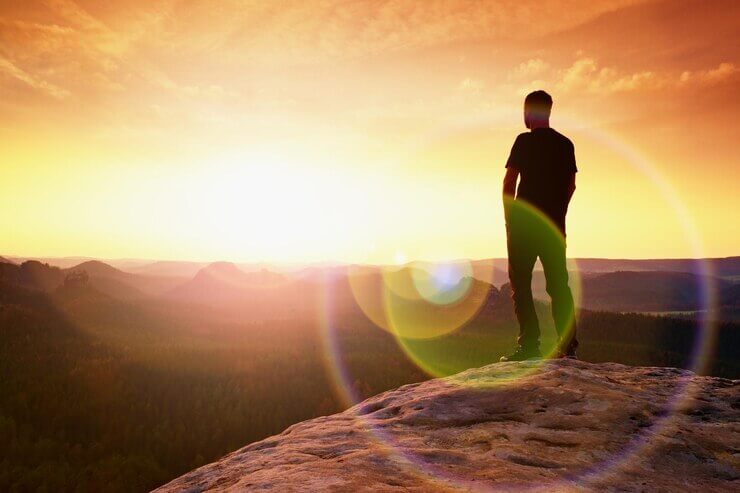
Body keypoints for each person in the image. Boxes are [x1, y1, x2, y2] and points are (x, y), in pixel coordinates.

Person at [500, 90, 578, 361]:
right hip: (554, 227)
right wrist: (559, 214)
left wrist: (510, 219)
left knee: (520, 284)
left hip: (524, 226)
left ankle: (529, 346)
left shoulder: (523, 141)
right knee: (559, 285)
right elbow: (571, 185)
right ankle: (567, 347)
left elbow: (509, 183)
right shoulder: (566, 144)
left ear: (528, 113)